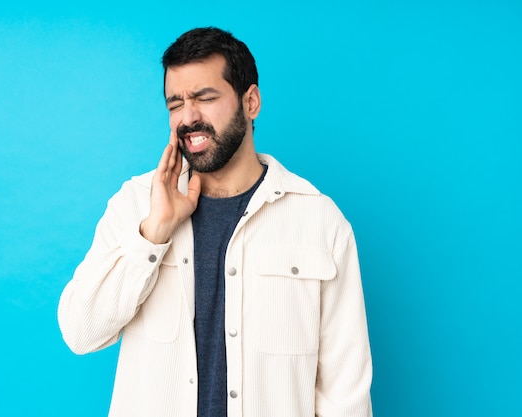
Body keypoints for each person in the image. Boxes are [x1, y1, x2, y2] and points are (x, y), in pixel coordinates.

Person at [58, 27, 373, 417]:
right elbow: (81, 332)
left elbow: (345, 393)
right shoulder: (135, 205)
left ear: (251, 102)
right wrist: (153, 234)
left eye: (205, 98)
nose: (188, 118)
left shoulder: (319, 221)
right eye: (175, 104)